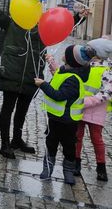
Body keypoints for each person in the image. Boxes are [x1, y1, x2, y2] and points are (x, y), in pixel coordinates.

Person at [0, 0, 44, 159]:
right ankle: (5, 144)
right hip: (11, 74)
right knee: (7, 109)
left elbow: (60, 26)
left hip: (31, 76)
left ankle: (17, 139)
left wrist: (76, 17)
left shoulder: (41, 29)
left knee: (22, 111)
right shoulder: (12, 24)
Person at [35, 45, 91, 184]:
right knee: (51, 144)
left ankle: (68, 172)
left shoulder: (73, 79)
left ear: (70, 59)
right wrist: (51, 63)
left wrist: (43, 85)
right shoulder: (65, 71)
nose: (64, 54)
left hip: (68, 121)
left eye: (66, 53)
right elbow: (59, 77)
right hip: (55, 118)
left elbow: (59, 95)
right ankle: (47, 168)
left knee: (69, 147)